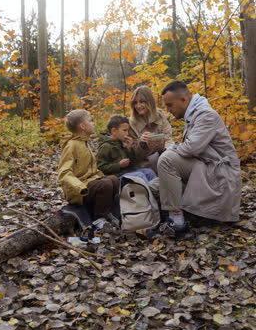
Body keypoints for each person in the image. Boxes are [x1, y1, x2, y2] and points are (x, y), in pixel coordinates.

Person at [149, 81, 242, 238]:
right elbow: (190, 150)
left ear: (184, 100)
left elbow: (191, 148)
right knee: (153, 186)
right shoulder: (193, 115)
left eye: (170, 105)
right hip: (208, 170)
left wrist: (169, 149)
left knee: (166, 159)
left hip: (221, 178)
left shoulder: (206, 115)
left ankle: (177, 222)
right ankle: (156, 219)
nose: (168, 110)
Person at [58, 109, 119, 231]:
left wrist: (102, 176)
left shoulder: (84, 143)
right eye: (90, 121)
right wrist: (79, 187)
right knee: (105, 184)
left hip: (89, 181)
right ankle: (98, 218)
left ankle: (106, 211)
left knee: (114, 180)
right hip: (79, 189)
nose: (93, 123)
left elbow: (91, 169)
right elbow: (64, 173)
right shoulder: (72, 145)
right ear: (83, 126)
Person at [96, 114, 156, 183]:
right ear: (114, 131)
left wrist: (129, 149)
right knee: (139, 175)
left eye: (128, 130)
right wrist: (118, 165)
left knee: (149, 172)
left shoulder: (122, 143)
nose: (127, 133)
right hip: (116, 177)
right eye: (124, 130)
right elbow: (100, 168)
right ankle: (148, 193)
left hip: (127, 173)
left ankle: (157, 191)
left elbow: (131, 164)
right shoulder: (105, 146)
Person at [129, 85, 174, 172]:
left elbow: (168, 139)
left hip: (164, 156)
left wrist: (162, 148)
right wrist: (141, 144)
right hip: (144, 165)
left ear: (149, 102)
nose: (138, 106)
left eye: (142, 102)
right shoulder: (131, 123)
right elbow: (133, 155)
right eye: (135, 103)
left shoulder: (160, 115)